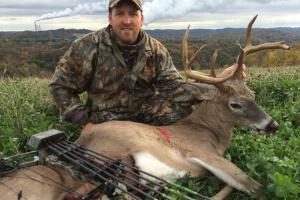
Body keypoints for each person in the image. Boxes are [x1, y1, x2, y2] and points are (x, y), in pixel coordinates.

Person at [49, 0, 241, 126]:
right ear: (110, 17)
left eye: (133, 14)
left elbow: (174, 88)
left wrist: (217, 86)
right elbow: (60, 87)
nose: (127, 21)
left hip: (146, 114)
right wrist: (83, 121)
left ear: (142, 19)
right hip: (104, 118)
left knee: (184, 111)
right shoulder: (86, 46)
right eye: (120, 14)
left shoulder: (156, 49)